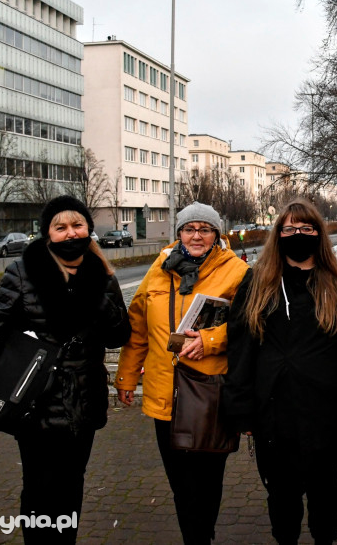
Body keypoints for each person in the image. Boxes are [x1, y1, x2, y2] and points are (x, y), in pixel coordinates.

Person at [0, 195, 130, 544]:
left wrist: (102, 298)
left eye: (77, 225)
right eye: (61, 227)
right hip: (34, 403)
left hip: (83, 403)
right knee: (39, 490)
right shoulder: (22, 273)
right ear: (47, 233)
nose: (70, 233)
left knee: (71, 487)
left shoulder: (103, 276)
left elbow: (117, 337)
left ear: (89, 229)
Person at [225, 200, 337, 545]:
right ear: (278, 235)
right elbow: (241, 349)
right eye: (290, 229)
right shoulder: (257, 283)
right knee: (281, 496)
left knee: (326, 496)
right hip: (273, 412)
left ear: (319, 235)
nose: (298, 235)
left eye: (307, 229)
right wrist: (240, 408)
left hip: (327, 412)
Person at [114, 202, 249, 545]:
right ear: (179, 234)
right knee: (180, 484)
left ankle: (201, 535)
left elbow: (250, 326)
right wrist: (127, 377)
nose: (196, 236)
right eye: (189, 229)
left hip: (210, 393)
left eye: (205, 229)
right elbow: (138, 329)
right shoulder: (160, 268)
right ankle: (195, 536)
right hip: (165, 394)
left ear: (217, 235)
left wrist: (211, 339)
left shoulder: (236, 271)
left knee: (205, 482)